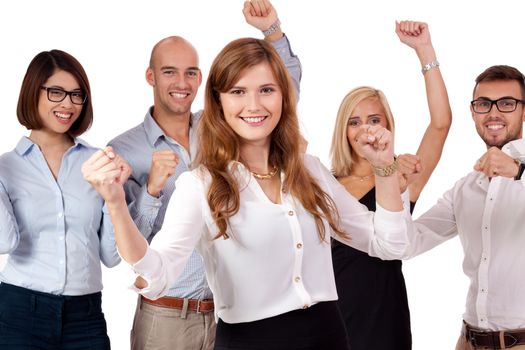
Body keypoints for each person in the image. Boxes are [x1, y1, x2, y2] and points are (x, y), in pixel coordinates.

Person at [82, 34, 413, 350]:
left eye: (266, 89)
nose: (254, 105)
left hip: (329, 335)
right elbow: (157, 273)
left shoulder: (309, 169)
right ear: (219, 101)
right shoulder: (200, 185)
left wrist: (384, 168)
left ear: (283, 95)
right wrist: (115, 203)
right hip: (247, 341)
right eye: (238, 92)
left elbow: (389, 243)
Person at [107, 1, 301, 349]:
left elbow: (281, 93)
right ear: (151, 76)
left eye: (191, 72)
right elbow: (115, 248)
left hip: (233, 315)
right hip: (167, 317)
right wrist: (151, 191)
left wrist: (272, 30)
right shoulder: (123, 150)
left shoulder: (220, 128)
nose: (181, 83)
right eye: (169, 72)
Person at [329, 21, 452, 350]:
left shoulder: (402, 176)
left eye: (373, 120)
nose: (364, 130)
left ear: (387, 126)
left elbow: (440, 125)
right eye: (354, 122)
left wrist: (424, 51)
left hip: (383, 321)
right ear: (343, 129)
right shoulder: (326, 183)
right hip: (329, 320)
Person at [394, 64, 525, 350]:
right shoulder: (465, 189)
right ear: (473, 113)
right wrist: (399, 190)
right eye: (483, 104)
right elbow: (405, 244)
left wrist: (519, 171)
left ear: (524, 111)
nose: (493, 113)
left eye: (507, 103)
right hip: (468, 341)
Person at [0, 50, 123, 349]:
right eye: (56, 92)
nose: (67, 104)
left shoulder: (99, 162)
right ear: (33, 92)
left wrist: (117, 195)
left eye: (76, 94)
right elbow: (5, 243)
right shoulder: (6, 168)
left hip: (86, 315)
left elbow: (111, 255)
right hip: (18, 312)